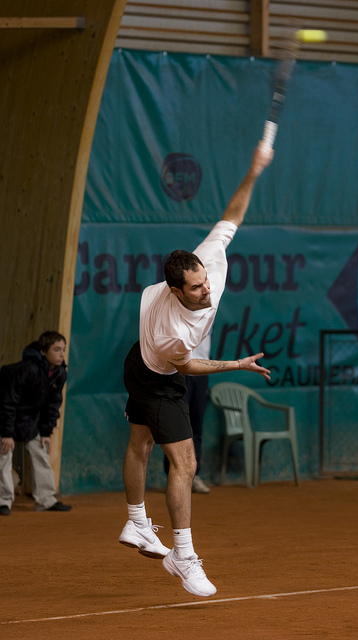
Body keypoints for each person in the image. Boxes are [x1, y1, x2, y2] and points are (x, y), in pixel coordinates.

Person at [119, 141, 273, 598]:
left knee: (140, 444)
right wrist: (237, 364)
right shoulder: (175, 331)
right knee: (185, 463)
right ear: (175, 290)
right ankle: (182, 556)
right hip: (158, 377)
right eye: (196, 288)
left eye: (206, 282)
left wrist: (254, 171)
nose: (207, 291)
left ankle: (135, 521)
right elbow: (188, 366)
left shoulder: (205, 266)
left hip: (137, 359)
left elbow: (231, 216)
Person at [0, 331, 72, 514]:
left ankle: (46, 500)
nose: (61, 354)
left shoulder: (60, 373)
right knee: (4, 454)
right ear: (43, 351)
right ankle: (3, 501)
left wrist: (46, 432)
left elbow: (53, 404)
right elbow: (8, 402)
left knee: (40, 450)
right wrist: (6, 433)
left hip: (29, 419)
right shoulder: (27, 369)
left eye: (63, 349)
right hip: (7, 415)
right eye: (56, 349)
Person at [163, 331, 212, 494]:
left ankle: (194, 477)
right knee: (175, 428)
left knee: (196, 427)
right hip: (178, 371)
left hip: (202, 373)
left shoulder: (211, 315)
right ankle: (172, 475)